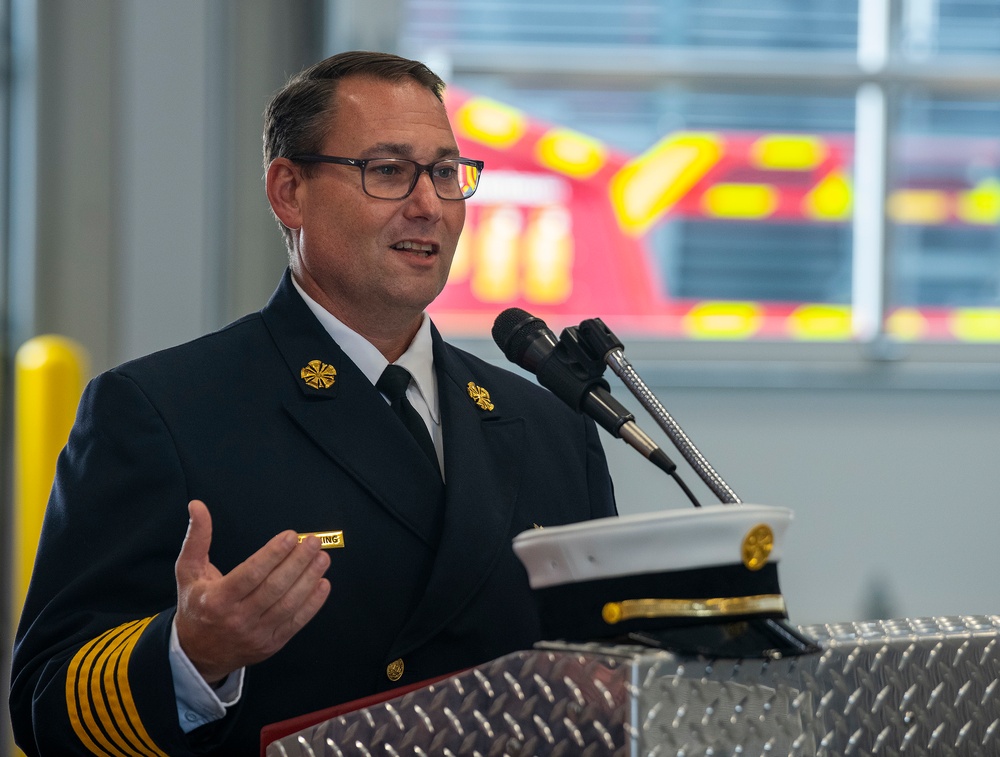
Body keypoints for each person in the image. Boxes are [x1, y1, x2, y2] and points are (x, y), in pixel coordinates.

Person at [9, 51, 617, 756]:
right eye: (388, 171)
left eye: (446, 173)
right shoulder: (163, 412)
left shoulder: (549, 425)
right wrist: (192, 655)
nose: (428, 205)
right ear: (289, 191)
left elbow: (606, 669)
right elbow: (47, 703)